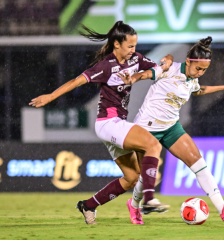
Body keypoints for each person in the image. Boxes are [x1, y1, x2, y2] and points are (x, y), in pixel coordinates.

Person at [29, 21, 173, 225]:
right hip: (108, 123)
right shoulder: (106, 66)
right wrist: (51, 97)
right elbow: (76, 81)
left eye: (135, 45)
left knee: (131, 178)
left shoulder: (136, 59)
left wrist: (168, 58)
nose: (134, 50)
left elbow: (160, 67)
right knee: (153, 145)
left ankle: (88, 206)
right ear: (116, 44)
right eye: (130, 46)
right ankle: (148, 200)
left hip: (117, 124)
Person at [118, 36, 224, 224]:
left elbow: (199, 90)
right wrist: (132, 78)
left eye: (204, 70)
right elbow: (145, 75)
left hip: (171, 128)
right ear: (188, 61)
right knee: (147, 177)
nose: (200, 72)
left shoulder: (192, 79)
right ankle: (134, 205)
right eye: (198, 68)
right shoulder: (169, 69)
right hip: (147, 128)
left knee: (199, 164)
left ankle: (223, 208)